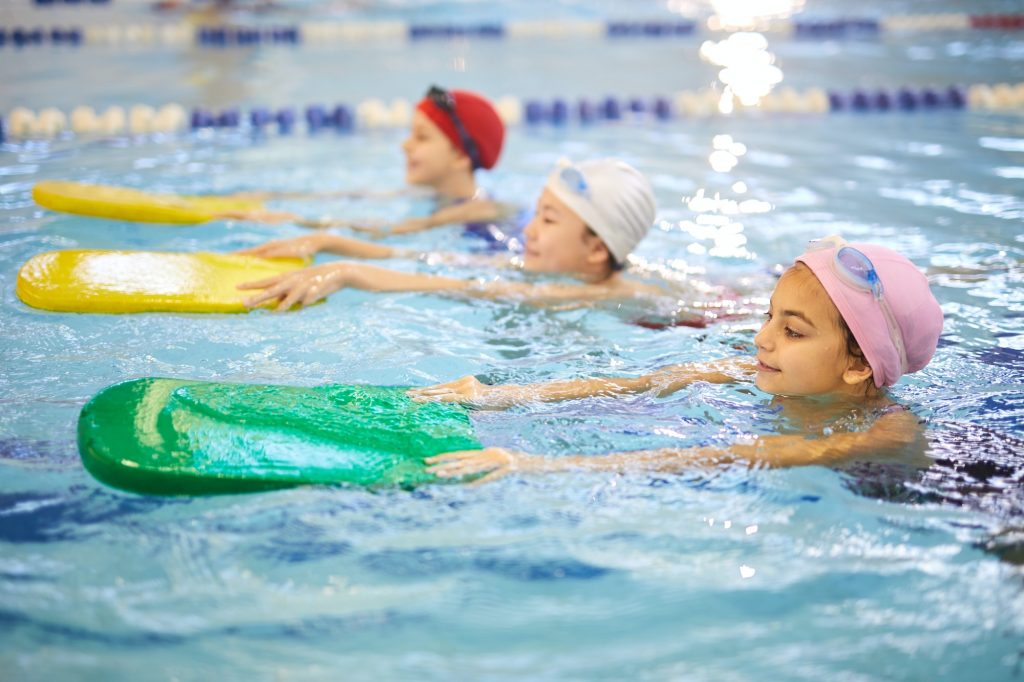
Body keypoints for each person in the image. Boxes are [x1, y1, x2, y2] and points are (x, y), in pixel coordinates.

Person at [411, 236, 945, 484]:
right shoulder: (757, 374)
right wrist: (494, 396)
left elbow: (721, 458)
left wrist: (535, 465)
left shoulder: (882, 435)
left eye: (791, 331)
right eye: (768, 317)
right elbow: (645, 381)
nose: (760, 340)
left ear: (857, 365)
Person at [237, 158, 681, 314]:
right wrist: (330, 243)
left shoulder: (596, 293)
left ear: (597, 249)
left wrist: (352, 274)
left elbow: (463, 287)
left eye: (546, 220)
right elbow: (432, 259)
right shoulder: (554, 269)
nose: (527, 229)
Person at [225, 85, 519, 248]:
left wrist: (291, 220)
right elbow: (359, 196)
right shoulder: (430, 196)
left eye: (421, 137)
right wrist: (274, 198)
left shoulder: (477, 210)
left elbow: (388, 231)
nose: (405, 145)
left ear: (459, 157)